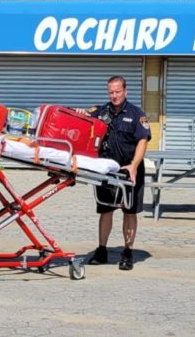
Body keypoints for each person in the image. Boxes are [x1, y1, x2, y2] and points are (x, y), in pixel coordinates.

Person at [83, 75, 151, 271]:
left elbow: (143, 141)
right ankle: (102, 250)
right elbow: (85, 126)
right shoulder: (100, 112)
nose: (114, 95)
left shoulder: (137, 114)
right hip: (106, 170)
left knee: (129, 211)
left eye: (118, 92)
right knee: (105, 209)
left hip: (129, 170)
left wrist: (134, 165)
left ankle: (128, 252)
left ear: (125, 92)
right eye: (111, 92)